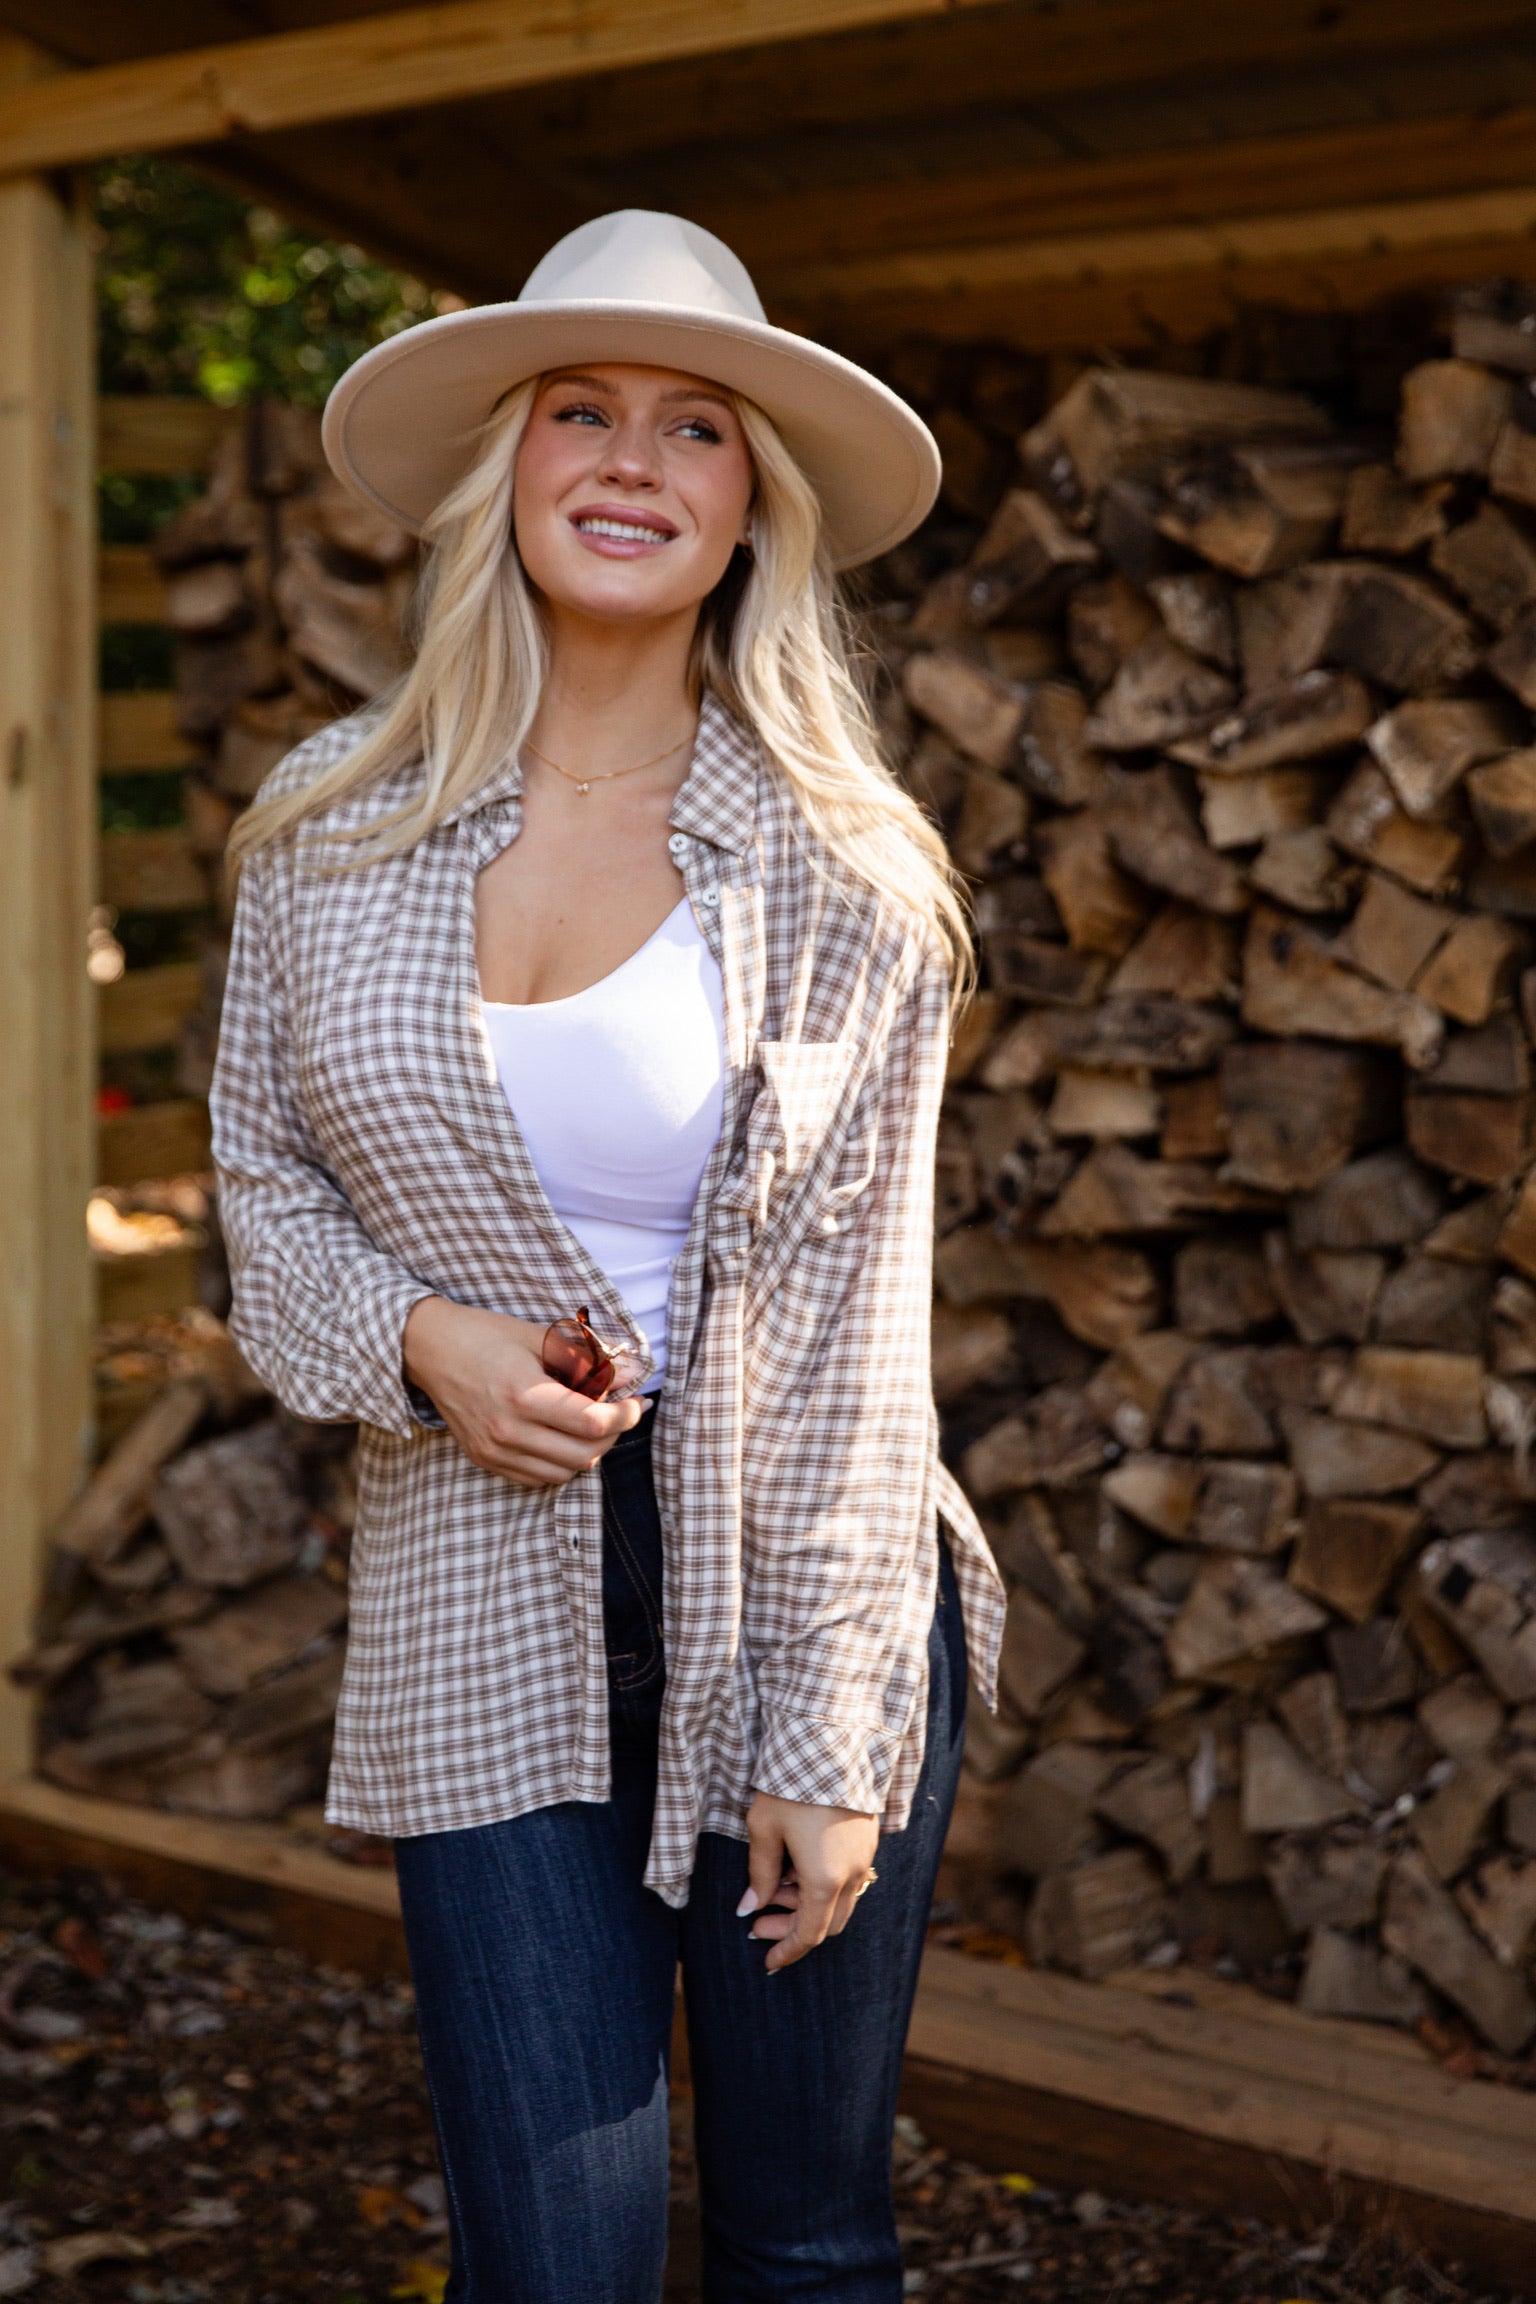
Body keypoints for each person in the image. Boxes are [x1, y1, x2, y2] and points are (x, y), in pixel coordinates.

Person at [211, 208, 1005, 2304]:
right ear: (510, 463)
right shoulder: (327, 829)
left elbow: (859, 1342)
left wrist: (834, 1745)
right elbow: (262, 1192)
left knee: (806, 2240)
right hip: (480, 1588)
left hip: (797, 1587)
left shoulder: (847, 870)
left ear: (753, 509)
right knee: (545, 2268)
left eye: (696, 426)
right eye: (583, 409)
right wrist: (421, 1340)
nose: (632, 461)